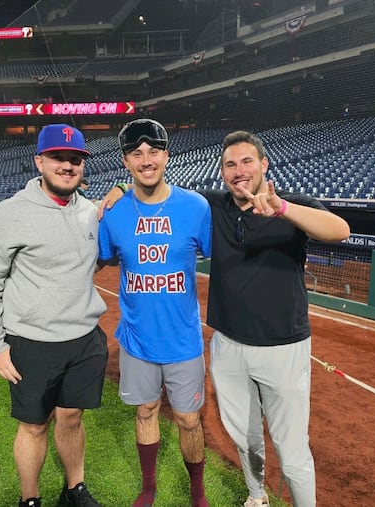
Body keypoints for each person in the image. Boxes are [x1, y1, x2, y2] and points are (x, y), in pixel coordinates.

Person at [101, 130, 351, 507]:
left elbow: (340, 231)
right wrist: (122, 186)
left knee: (291, 446)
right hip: (229, 344)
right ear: (222, 172)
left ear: (264, 164)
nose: (239, 171)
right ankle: (256, 496)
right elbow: (156, 185)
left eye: (247, 161)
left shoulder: (293, 205)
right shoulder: (212, 206)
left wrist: (281, 208)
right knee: (244, 436)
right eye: (230, 164)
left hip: (283, 345)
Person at [0, 124, 107, 507]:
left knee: (72, 418)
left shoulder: (90, 212)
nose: (67, 165)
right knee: (33, 426)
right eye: (58, 158)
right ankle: (30, 499)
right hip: (31, 341)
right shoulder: (12, 212)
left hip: (84, 338)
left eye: (75, 159)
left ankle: (74, 489)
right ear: (40, 162)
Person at [98, 119, 212, 507]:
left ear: (166, 155)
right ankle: (149, 487)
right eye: (136, 154)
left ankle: (197, 492)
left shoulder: (196, 207)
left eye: (153, 152)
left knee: (189, 420)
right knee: (145, 412)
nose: (146, 160)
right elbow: (95, 261)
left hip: (183, 341)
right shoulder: (113, 213)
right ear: (126, 162)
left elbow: (227, 258)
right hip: (137, 340)